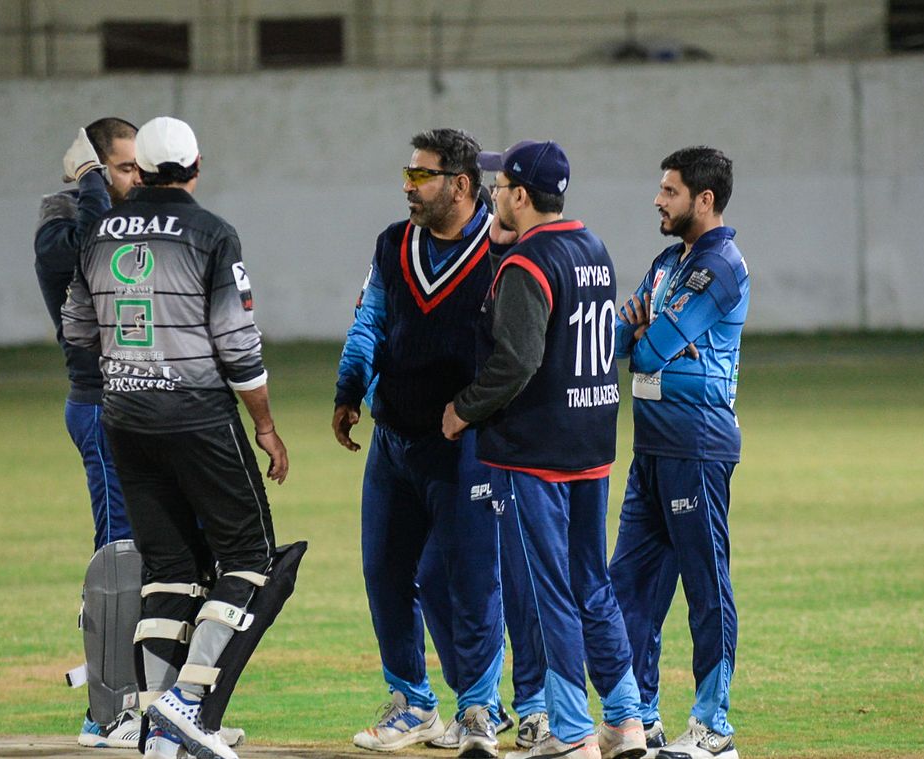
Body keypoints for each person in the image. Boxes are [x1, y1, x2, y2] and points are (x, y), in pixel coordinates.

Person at [62, 116, 294, 759]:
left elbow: (77, 328)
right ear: (195, 167)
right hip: (197, 417)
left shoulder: (98, 232)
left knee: (168, 570)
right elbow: (237, 344)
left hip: (124, 419)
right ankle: (187, 704)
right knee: (251, 558)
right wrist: (266, 425)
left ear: (140, 170)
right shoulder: (211, 233)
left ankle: (156, 722)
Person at [442, 140, 647, 759]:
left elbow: (517, 360)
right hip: (592, 442)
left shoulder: (528, 264)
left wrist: (463, 409)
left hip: (535, 452)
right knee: (591, 582)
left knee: (548, 588)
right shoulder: (592, 248)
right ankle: (626, 720)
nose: (492, 194)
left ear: (522, 196)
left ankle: (572, 732)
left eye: (500, 186)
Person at [333, 128, 505, 758]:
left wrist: (477, 409)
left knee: (468, 578)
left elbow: (516, 352)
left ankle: (481, 707)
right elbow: (370, 319)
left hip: (466, 444)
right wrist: (350, 386)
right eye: (407, 174)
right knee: (384, 571)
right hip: (394, 440)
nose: (407, 187)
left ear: (460, 185)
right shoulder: (393, 242)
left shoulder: (500, 249)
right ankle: (413, 704)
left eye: (419, 176)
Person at [608, 147, 748, 759]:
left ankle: (714, 729)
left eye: (669, 191)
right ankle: (642, 717)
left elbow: (648, 348)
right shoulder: (670, 262)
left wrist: (648, 331)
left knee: (705, 587)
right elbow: (620, 336)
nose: (658, 201)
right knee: (628, 587)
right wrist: (643, 331)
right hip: (652, 448)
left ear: (704, 199)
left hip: (697, 445)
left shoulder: (720, 267)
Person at [35, 118, 144, 748]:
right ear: (94, 169)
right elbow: (84, 252)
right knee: (117, 558)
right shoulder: (63, 215)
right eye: (123, 167)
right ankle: (105, 714)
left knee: (161, 557)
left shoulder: (139, 216)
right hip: (100, 407)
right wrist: (91, 184)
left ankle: (153, 702)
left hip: (149, 407)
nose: (137, 178)